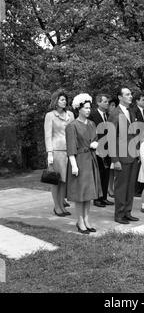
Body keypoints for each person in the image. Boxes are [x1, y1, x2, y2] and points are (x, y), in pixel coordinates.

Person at [65, 93, 102, 234]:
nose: (88, 110)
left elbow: (95, 138)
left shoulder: (92, 123)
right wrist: (74, 165)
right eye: (85, 108)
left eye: (89, 108)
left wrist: (95, 143)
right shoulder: (72, 126)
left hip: (91, 160)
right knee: (80, 194)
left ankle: (87, 220)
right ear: (79, 109)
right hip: (79, 161)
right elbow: (71, 148)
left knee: (89, 193)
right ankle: (80, 221)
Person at [107, 87, 139, 224]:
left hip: (132, 154)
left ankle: (127, 212)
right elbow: (111, 138)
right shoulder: (114, 113)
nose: (130, 96)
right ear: (120, 97)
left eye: (131, 94)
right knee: (121, 187)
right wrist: (115, 159)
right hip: (121, 156)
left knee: (130, 186)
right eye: (127, 94)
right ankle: (119, 214)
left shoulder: (131, 112)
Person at [44, 89, 74, 217]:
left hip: (69, 151)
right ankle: (57, 207)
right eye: (62, 99)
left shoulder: (71, 115)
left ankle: (62, 205)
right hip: (56, 152)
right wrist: (49, 153)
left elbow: (73, 133)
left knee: (64, 181)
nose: (64, 101)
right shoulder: (50, 115)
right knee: (55, 181)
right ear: (56, 101)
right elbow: (48, 136)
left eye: (65, 99)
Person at [89, 93, 114, 207]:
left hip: (107, 148)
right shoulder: (92, 115)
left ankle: (104, 197)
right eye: (104, 101)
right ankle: (97, 198)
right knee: (98, 174)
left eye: (107, 101)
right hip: (97, 148)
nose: (107, 103)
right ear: (98, 102)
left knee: (106, 174)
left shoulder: (108, 115)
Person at [107, 98, 119, 198]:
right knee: (109, 170)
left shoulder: (117, 116)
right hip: (106, 146)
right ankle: (109, 188)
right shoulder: (107, 116)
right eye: (112, 105)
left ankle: (112, 188)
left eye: (115, 105)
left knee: (114, 170)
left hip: (116, 147)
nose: (113, 107)